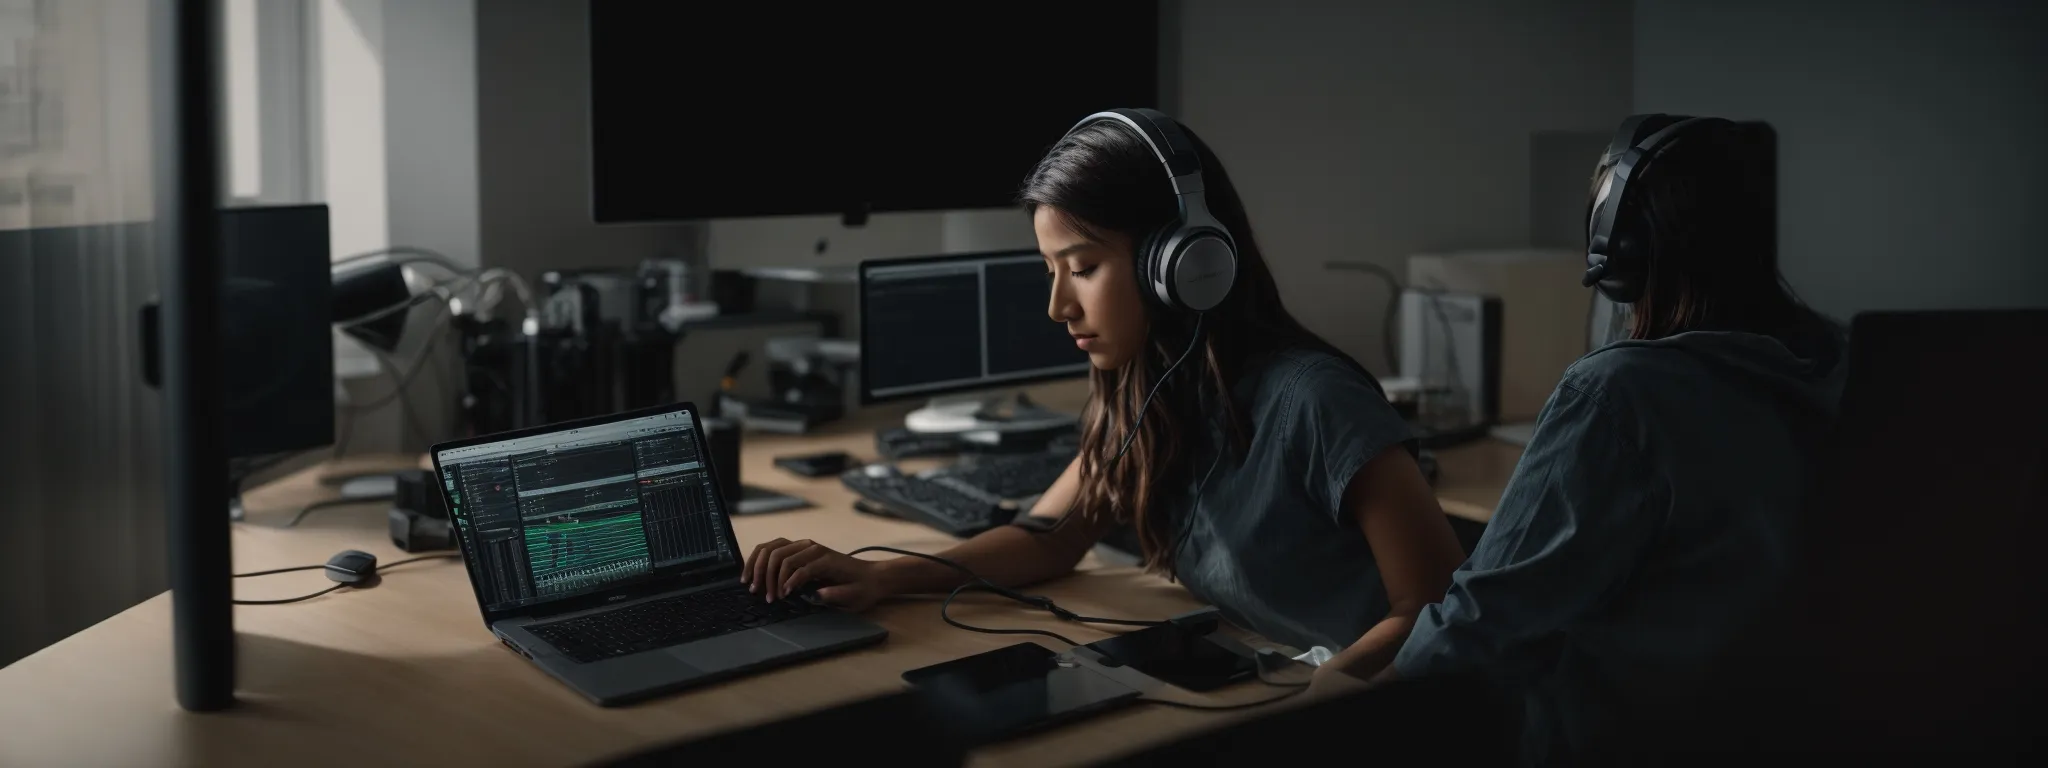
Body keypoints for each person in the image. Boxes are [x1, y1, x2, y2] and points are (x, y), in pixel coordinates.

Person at [743, 109, 1467, 686]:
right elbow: (1051, 537)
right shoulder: (1145, 396)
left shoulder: (1315, 401)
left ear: (1184, 264)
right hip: (1274, 682)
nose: (1059, 306)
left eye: (1082, 267)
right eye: (1050, 272)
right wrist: (883, 576)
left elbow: (1433, 610)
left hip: (1378, 710)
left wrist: (1313, 712)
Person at [1373, 114, 1849, 764]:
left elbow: (1478, 627)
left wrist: (1336, 719)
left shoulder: (1622, 394)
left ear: (1616, 243)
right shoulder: (1847, 365)